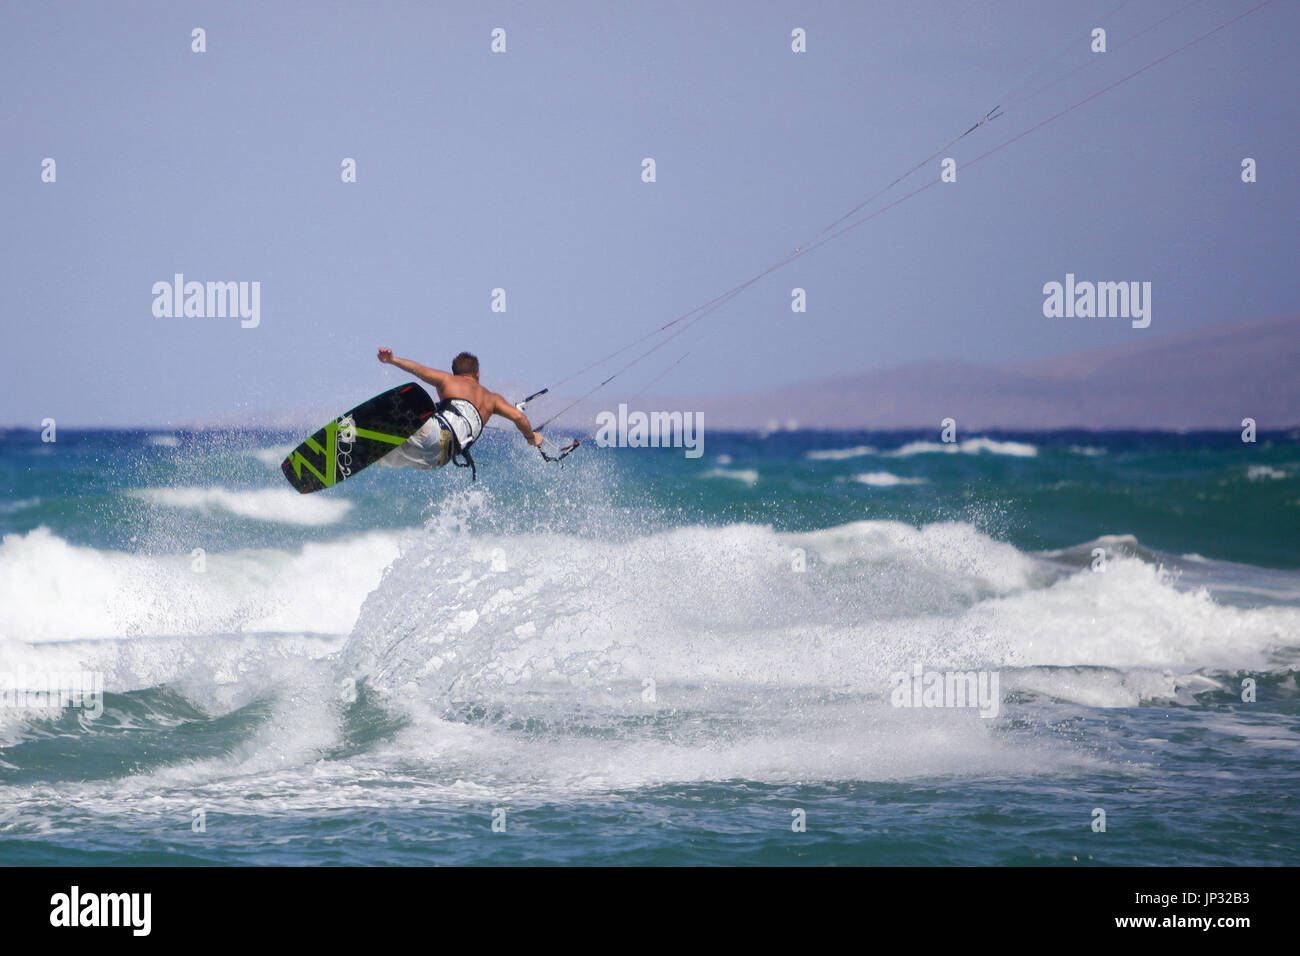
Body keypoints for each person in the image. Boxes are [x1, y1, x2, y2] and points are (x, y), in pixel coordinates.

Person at [376, 347, 543, 477]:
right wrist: (531, 437)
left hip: (438, 433)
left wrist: (392, 359)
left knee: (404, 404)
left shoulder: (448, 380)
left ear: (455, 372)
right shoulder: (493, 399)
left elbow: (418, 369)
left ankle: (367, 437)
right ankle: (374, 451)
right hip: (440, 457)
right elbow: (518, 417)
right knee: (387, 456)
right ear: (477, 374)